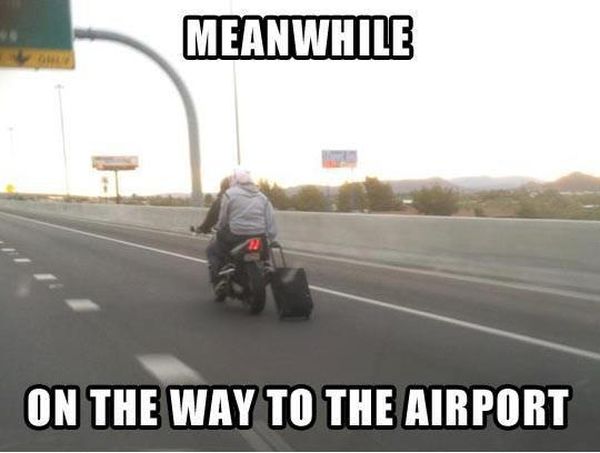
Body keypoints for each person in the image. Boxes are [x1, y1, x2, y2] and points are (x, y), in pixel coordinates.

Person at [206, 167, 277, 288]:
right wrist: (271, 237)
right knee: (265, 250)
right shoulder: (262, 197)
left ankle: (221, 273)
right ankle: (266, 264)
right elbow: (270, 220)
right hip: (259, 235)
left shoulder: (229, 194)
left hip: (236, 234)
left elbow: (223, 218)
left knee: (212, 249)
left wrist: (218, 228)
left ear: (234, 179)